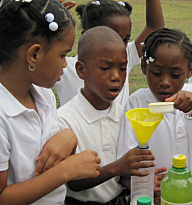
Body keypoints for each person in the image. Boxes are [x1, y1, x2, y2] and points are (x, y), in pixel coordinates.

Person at [0, 0, 101, 204]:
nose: (66, 64)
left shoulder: (43, 95)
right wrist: (67, 171)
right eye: (63, 54)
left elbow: (47, 158)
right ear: (34, 55)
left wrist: (68, 138)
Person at [57, 26, 155, 205]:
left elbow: (121, 178)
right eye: (105, 68)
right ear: (81, 70)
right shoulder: (65, 120)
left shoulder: (123, 114)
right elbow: (74, 183)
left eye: (123, 68)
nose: (116, 77)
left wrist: (140, 179)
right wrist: (117, 167)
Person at [117, 27, 192, 193]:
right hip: (159, 195)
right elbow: (126, 163)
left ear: (190, 70)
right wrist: (145, 184)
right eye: (156, 73)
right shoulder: (137, 103)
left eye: (175, 75)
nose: (165, 82)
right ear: (143, 67)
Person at [54, 0, 164, 108]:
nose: (118, 46)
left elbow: (154, 28)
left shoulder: (125, 55)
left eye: (125, 39)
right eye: (105, 68)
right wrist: (46, 14)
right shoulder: (64, 68)